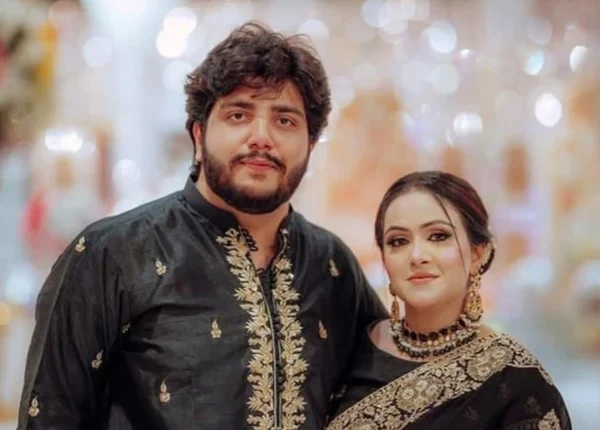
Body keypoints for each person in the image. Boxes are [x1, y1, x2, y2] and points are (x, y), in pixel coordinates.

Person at [17, 22, 387, 430]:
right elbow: (51, 418)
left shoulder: (332, 265)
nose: (261, 137)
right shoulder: (114, 254)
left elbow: (391, 394)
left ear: (310, 144)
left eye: (285, 121)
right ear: (198, 134)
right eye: (238, 115)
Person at [327, 171, 572, 429]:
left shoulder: (514, 379)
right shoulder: (349, 350)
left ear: (478, 252)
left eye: (438, 236)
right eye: (398, 241)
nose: (417, 256)